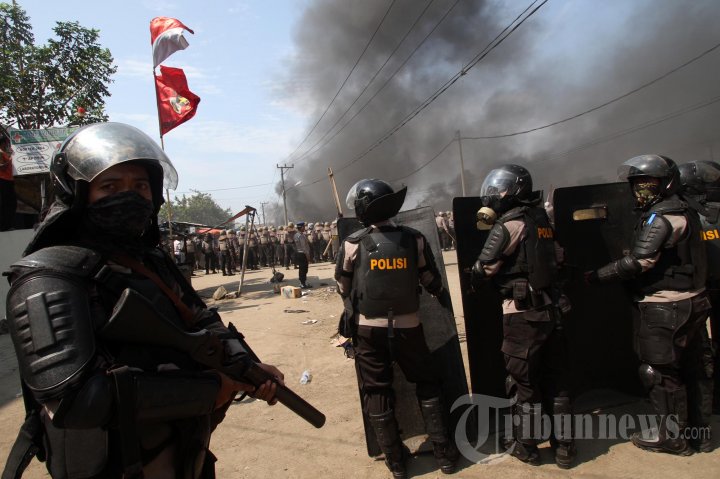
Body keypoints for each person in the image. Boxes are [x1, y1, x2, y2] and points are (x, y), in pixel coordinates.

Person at [2, 123, 285, 478]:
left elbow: (202, 320)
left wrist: (247, 367)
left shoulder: (152, 261)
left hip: (186, 454)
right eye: (110, 186)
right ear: (78, 193)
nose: (130, 196)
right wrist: (211, 390)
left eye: (140, 186)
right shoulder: (47, 276)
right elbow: (79, 400)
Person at [586, 154, 712, 455]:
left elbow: (639, 261)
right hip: (694, 301)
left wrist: (597, 277)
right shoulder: (688, 208)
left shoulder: (662, 216)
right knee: (694, 368)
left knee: (659, 373)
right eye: (637, 183)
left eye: (648, 182)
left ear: (666, 183)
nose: (640, 189)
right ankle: (700, 435)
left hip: (665, 307)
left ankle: (671, 438)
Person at [336, 178, 458, 478]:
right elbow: (430, 280)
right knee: (427, 383)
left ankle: (396, 463)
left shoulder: (352, 244)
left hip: (368, 330)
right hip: (409, 327)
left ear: (363, 210)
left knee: (376, 389)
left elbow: (343, 287)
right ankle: (444, 454)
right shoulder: (414, 239)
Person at [470, 164, 575, 468]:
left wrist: (475, 278)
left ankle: (526, 446)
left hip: (523, 315)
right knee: (557, 380)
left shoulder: (509, 225)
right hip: (553, 310)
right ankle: (565, 447)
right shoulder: (541, 219)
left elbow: (484, 268)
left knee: (522, 383)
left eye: (500, 189)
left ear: (515, 191)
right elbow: (559, 257)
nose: (495, 194)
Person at [679, 160, 720, 414]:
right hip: (699, 291)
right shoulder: (686, 215)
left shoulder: (682, 216)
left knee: (699, 352)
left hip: (695, 291)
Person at [0, 124, 17, 231]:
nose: (7, 144)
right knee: (5, 204)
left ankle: (7, 225)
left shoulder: (5, 153)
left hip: (9, 180)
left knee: (11, 203)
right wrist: (10, 159)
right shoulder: (0, 153)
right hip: (3, 180)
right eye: (6, 142)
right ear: (3, 143)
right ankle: (3, 226)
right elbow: (1, 167)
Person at [294, 221, 313, 289]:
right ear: (301, 227)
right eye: (303, 227)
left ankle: (302, 282)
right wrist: (307, 255)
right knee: (304, 269)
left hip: (299, 253)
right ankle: (303, 283)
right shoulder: (301, 236)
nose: (304, 228)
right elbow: (304, 247)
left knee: (302, 269)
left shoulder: (296, 235)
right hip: (303, 254)